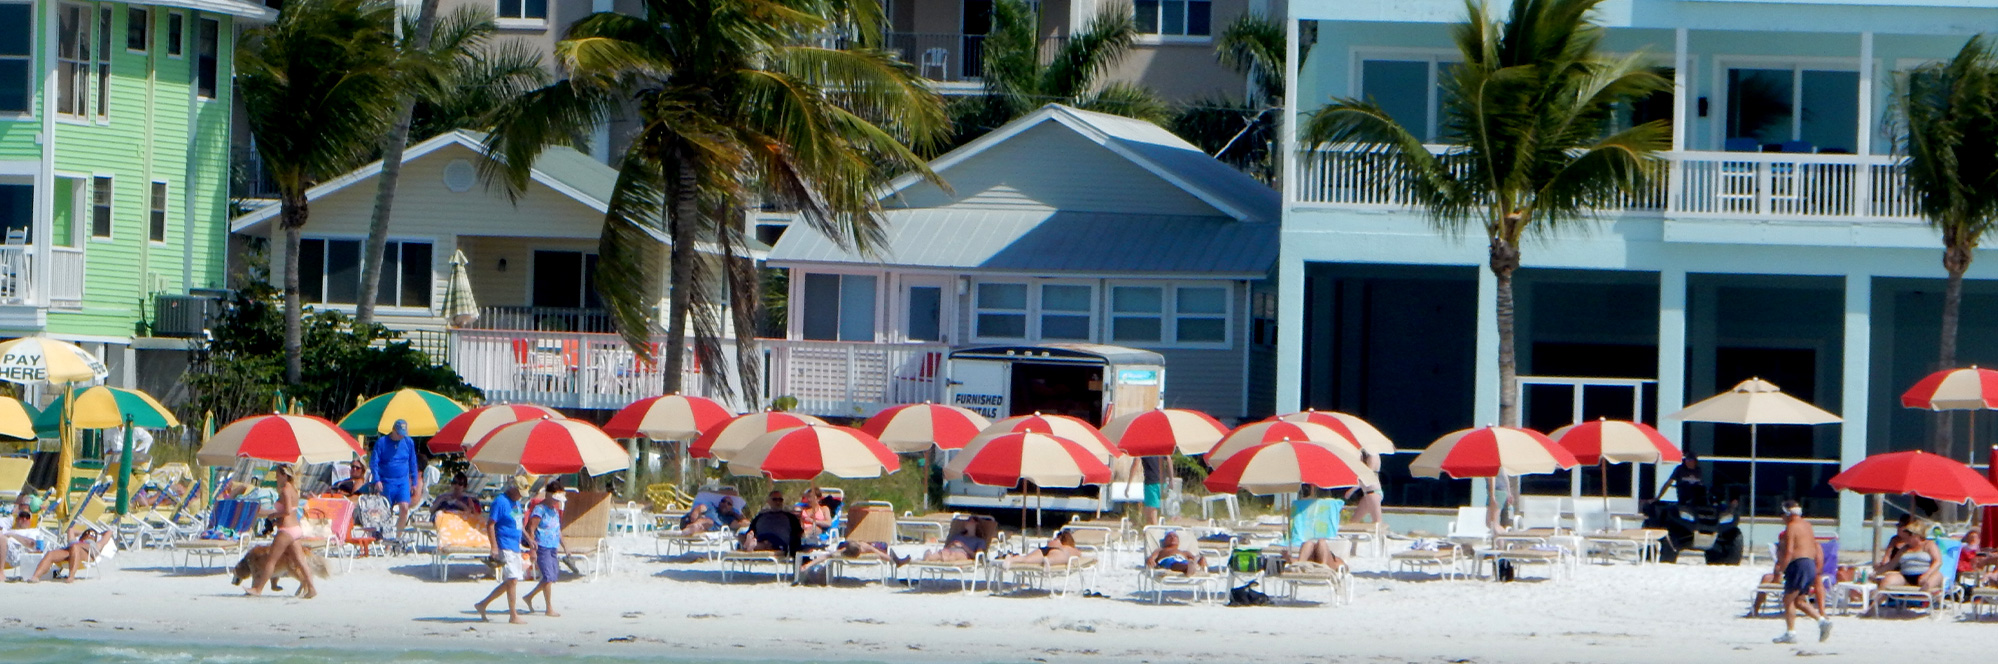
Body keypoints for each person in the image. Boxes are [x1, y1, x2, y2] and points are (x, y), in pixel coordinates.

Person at [248, 464, 317, 598]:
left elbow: (286, 511)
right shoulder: (293, 490)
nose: (276, 478)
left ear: (285, 475)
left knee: (271, 561)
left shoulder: (285, 490)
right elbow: (292, 510)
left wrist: (274, 515)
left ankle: (258, 589)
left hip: (286, 530)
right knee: (300, 562)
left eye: (278, 475)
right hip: (295, 529)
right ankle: (312, 588)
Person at [1773, 500, 1830, 644]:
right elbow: (1813, 547)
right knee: (1799, 601)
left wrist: (1781, 569)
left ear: (1788, 514)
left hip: (1798, 564)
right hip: (1809, 564)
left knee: (1788, 599)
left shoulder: (1791, 527)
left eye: (1782, 514)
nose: (1781, 518)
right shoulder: (1807, 525)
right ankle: (1822, 621)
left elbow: (1790, 551)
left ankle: (1790, 633)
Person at [474, 479, 528, 624]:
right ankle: (513, 615)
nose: (520, 496)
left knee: (512, 580)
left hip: (515, 545)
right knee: (512, 579)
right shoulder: (500, 502)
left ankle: (483, 604)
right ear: (512, 488)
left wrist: (529, 539)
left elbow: (519, 523)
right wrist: (494, 547)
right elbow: (490, 524)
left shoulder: (516, 502)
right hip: (504, 544)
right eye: (519, 493)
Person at [1867, 518, 1944, 613]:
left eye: (1908, 535)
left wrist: (1927, 574)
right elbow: (1891, 564)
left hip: (1926, 574)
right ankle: (1874, 607)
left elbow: (1938, 561)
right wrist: (1876, 573)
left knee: (1935, 577)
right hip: (1906, 576)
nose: (1906, 538)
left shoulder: (1928, 545)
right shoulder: (1905, 548)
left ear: (1916, 535)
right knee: (1888, 579)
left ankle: (1929, 597)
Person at [521, 482, 568, 617]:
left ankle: (529, 596)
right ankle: (549, 608)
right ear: (548, 495)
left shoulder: (554, 510)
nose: (556, 502)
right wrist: (532, 550)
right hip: (542, 546)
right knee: (547, 576)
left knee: (552, 577)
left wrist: (565, 547)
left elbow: (557, 530)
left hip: (553, 547)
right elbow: (531, 529)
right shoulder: (539, 510)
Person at [371, 419, 422, 536]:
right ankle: (387, 539)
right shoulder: (382, 442)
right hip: (386, 481)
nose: (401, 436)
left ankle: (397, 537)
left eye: (403, 434)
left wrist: (414, 482)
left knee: (404, 507)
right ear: (393, 430)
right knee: (386, 511)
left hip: (402, 481)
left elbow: (412, 462)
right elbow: (374, 462)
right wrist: (377, 479)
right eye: (399, 433)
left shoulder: (408, 442)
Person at [24, 528, 104, 583]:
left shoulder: (96, 544)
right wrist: (85, 533)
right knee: (50, 554)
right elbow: (71, 530)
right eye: (87, 534)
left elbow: (109, 533)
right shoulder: (74, 541)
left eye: (93, 535)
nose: (89, 535)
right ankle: (35, 577)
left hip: (86, 554)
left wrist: (98, 534)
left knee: (75, 547)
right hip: (69, 552)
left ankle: (71, 576)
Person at [1002, 529, 1085, 570]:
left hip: (1044, 549)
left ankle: (1011, 559)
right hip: (1057, 551)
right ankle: (1049, 561)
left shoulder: (1053, 541)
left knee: (1026, 559)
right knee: (1064, 557)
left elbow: (1049, 544)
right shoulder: (1068, 548)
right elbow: (1079, 554)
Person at [1343, 451, 1385, 525]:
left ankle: (1379, 536)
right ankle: (1354, 535)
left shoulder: (1373, 455)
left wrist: (1351, 491)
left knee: (1377, 522)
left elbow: (1367, 477)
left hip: (1373, 492)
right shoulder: (1368, 455)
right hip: (1369, 493)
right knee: (1353, 521)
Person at [1140, 457, 1166, 526]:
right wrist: (1171, 479)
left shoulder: (1144, 449)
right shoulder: (1159, 448)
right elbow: (1168, 459)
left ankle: (1155, 534)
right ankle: (1149, 533)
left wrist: (1129, 483)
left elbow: (1136, 462)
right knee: (1149, 515)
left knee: (1152, 515)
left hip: (1151, 483)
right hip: (1161, 482)